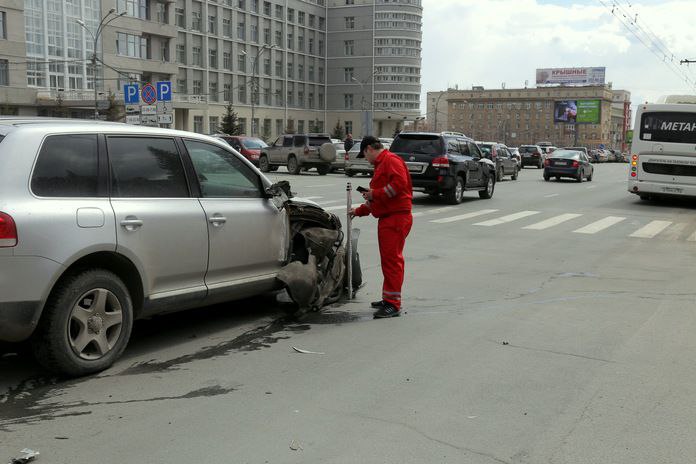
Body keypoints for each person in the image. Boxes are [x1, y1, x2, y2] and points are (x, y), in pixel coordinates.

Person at [350, 136, 413, 318]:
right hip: (389, 218)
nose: (366, 160)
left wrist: (375, 193)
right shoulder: (382, 165)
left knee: (392, 262)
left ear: (369, 148)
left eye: (364, 154)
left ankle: (393, 304)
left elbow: (399, 185)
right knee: (388, 261)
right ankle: (388, 299)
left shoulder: (390, 161)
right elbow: (378, 199)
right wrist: (359, 210)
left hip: (396, 218)